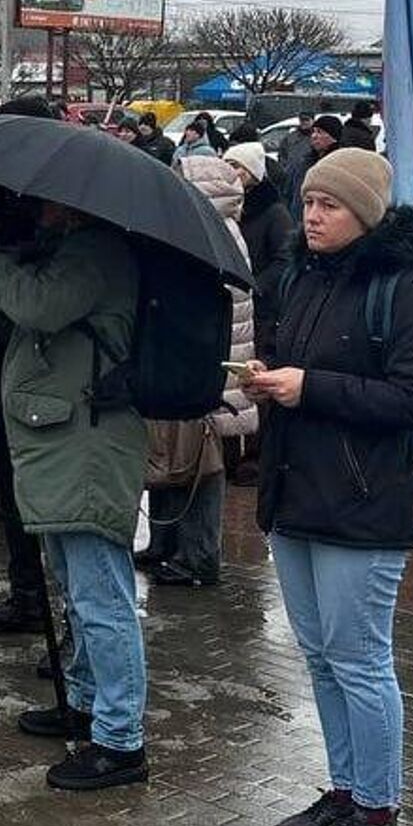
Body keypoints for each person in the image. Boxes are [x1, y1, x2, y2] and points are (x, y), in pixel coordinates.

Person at [244, 148, 413, 826]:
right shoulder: (303, 277)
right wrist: (269, 378)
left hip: (362, 504)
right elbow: (301, 369)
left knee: (360, 659)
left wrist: (310, 387)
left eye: (329, 205)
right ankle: (344, 791)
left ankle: (378, 810)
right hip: (296, 493)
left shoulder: (401, 292)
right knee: (321, 657)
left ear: (364, 214)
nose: (312, 216)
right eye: (308, 202)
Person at [0, 192, 152, 793]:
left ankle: (120, 741)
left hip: (88, 445)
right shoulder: (75, 248)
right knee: (77, 592)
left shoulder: (96, 252)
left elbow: (38, 307)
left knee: (102, 600)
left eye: (44, 201)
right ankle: (87, 704)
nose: (34, 207)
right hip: (69, 441)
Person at [138, 157, 256, 587]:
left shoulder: (211, 233)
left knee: (201, 464)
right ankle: (166, 543)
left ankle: (198, 556)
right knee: (172, 454)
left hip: (210, 368)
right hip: (194, 363)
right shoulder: (207, 229)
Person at [225, 141, 294, 353]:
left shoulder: (274, 212)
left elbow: (286, 259)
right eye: (226, 164)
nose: (230, 171)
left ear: (253, 172)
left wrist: (254, 287)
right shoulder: (228, 207)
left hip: (260, 309)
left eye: (236, 165)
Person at [285, 115, 346, 222]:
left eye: (319, 132)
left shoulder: (340, 164)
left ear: (333, 137)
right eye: (313, 131)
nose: (314, 136)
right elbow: (291, 192)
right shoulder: (305, 161)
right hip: (298, 221)